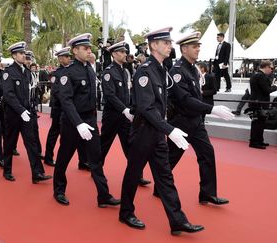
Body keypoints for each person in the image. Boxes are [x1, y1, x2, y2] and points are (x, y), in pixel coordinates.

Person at [119, 27, 204, 235]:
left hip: (157, 133)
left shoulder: (161, 68)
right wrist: (170, 129)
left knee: (165, 177)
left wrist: (165, 129)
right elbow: (146, 108)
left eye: (169, 42)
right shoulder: (145, 71)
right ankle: (126, 212)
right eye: (165, 43)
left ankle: (177, 220)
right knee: (133, 173)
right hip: (143, 133)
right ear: (154, 45)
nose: (169, 46)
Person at [163, 32, 233, 208]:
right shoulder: (177, 71)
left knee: (207, 153)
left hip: (195, 121)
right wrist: (211, 109)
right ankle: (160, 186)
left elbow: (197, 96)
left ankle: (207, 193)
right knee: (172, 157)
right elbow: (185, 98)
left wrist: (205, 110)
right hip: (180, 122)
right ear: (184, 49)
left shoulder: (194, 69)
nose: (198, 49)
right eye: (195, 47)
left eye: (199, 46)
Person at [53, 33, 120, 207]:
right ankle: (59, 190)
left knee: (96, 160)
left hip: (89, 120)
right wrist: (78, 123)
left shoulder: (89, 68)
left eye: (90, 47)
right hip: (72, 122)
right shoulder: (67, 73)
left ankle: (103, 195)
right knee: (64, 157)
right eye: (85, 48)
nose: (89, 50)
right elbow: (65, 101)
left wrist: (88, 121)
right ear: (75, 51)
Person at [100, 41, 151, 186]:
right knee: (104, 144)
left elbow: (127, 93)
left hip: (125, 116)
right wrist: (124, 109)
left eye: (125, 52)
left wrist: (131, 109)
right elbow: (110, 95)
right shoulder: (109, 72)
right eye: (121, 52)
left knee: (131, 146)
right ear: (114, 54)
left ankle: (136, 175)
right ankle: (96, 169)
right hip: (112, 116)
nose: (124, 54)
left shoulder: (125, 71)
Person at [2, 41, 52, 183]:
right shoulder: (8, 73)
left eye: (24, 53)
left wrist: (31, 107)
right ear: (14, 55)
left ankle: (37, 173)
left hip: (27, 113)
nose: (24, 55)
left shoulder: (27, 72)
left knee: (32, 144)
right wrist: (20, 110)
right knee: (10, 143)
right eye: (21, 53)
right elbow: (9, 94)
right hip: (13, 114)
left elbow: (31, 93)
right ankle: (7, 170)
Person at [44, 47, 71, 167]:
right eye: (66, 57)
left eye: (69, 56)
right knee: (54, 133)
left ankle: (83, 160)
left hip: (68, 109)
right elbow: (56, 92)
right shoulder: (57, 73)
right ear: (60, 59)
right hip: (59, 108)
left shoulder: (71, 70)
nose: (69, 58)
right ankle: (48, 157)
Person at [248, 60, 277, 149]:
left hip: (256, 102)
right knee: (258, 123)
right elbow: (267, 90)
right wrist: (275, 86)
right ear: (267, 67)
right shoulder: (261, 76)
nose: (272, 70)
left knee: (259, 122)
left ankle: (259, 140)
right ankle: (255, 142)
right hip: (259, 103)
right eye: (271, 68)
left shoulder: (255, 75)